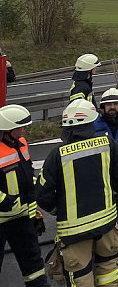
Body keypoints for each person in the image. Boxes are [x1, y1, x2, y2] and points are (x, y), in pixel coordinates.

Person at [37, 99, 118, 287]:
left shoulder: (56, 155)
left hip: (74, 231)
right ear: (91, 122)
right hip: (107, 223)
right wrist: (112, 201)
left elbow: (43, 195)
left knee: (80, 276)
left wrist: (58, 210)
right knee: (108, 267)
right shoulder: (107, 144)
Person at [0, 104, 48, 287]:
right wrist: (4, 201)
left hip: (21, 218)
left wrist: (34, 213)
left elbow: (27, 177)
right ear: (8, 129)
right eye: (20, 127)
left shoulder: (21, 143)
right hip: (1, 218)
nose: (24, 130)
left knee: (33, 264)